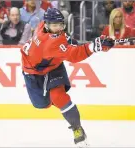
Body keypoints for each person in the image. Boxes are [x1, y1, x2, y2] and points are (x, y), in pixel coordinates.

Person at [20, 8, 114, 147]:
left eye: (60, 24)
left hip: (52, 65)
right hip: (33, 74)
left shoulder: (44, 26)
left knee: (58, 97)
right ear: (46, 24)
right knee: (41, 105)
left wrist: (97, 44)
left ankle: (77, 129)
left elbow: (68, 42)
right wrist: (94, 47)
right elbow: (73, 55)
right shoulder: (49, 42)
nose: (58, 28)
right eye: (55, 25)